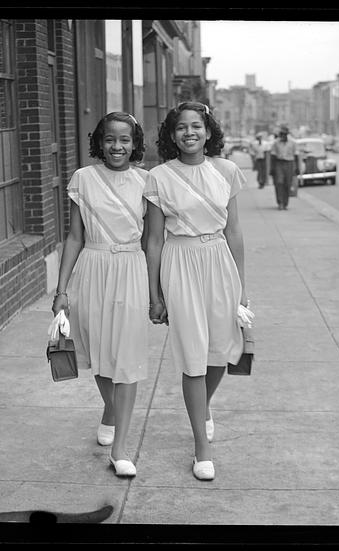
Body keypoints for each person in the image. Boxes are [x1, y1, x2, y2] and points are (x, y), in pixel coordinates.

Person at [144, 102, 248, 481]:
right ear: (171, 136)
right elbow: (154, 240)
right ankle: (201, 446)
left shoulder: (227, 171)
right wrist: (155, 294)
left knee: (220, 352)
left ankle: (202, 407)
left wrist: (241, 288)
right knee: (192, 354)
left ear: (208, 132)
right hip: (180, 261)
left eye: (197, 126)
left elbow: (234, 231)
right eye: (181, 128)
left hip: (218, 258)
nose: (189, 132)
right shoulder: (158, 177)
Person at [52, 112, 149, 478]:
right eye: (110, 139)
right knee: (96, 351)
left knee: (126, 357)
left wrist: (156, 292)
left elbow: (153, 240)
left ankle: (121, 448)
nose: (117, 146)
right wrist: (61, 289)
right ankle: (111, 409)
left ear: (135, 143)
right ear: (100, 141)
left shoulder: (147, 181)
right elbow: (74, 236)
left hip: (130, 268)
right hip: (91, 269)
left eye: (125, 139)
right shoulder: (83, 179)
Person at [270, 124, 298, 210]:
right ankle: (280, 202)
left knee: (287, 183)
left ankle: (285, 202)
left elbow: (296, 156)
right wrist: (272, 168)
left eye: (284, 134)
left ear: (287, 134)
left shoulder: (293, 143)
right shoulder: (276, 143)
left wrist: (297, 167)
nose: (282, 136)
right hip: (279, 163)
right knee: (279, 183)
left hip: (289, 163)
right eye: (281, 134)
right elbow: (273, 156)